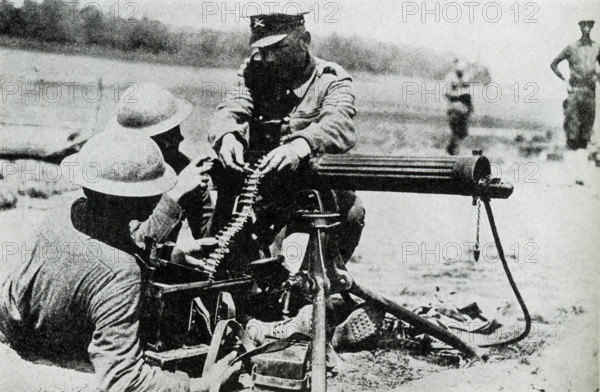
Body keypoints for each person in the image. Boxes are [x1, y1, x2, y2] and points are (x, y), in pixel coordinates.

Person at [0, 131, 240, 392]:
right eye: (152, 188)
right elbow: (122, 380)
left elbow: (102, 247)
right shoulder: (121, 273)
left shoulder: (68, 212)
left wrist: (170, 254)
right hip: (50, 370)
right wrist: (200, 385)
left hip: (15, 337)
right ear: (136, 199)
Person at [208, 9, 365, 264]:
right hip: (263, 188)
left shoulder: (330, 79)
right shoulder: (253, 71)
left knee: (352, 212)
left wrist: (300, 145)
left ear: (305, 40)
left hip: (313, 189)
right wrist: (227, 136)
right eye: (262, 49)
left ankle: (325, 280)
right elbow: (232, 108)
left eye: (278, 47)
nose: (268, 58)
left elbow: (339, 123)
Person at [108, 83, 214, 241]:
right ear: (146, 141)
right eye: (169, 135)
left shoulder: (181, 166)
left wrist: (227, 194)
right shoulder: (116, 177)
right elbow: (135, 244)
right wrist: (176, 192)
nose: (180, 139)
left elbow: (205, 237)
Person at [550, 19, 600, 184]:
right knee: (572, 134)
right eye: (583, 25)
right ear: (579, 27)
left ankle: (583, 177)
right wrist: (565, 80)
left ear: (592, 27)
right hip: (574, 93)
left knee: (585, 135)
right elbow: (554, 64)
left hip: (590, 94)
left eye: (589, 25)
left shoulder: (596, 47)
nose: (586, 28)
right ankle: (571, 177)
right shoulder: (572, 47)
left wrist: (597, 78)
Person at [444, 59, 473, 155]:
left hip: (463, 109)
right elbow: (447, 93)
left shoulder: (465, 78)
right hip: (455, 108)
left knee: (462, 133)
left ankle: (453, 151)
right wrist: (458, 95)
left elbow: (468, 94)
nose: (461, 72)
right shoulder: (450, 77)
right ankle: (452, 151)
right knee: (456, 131)